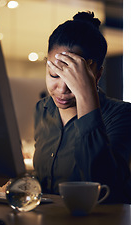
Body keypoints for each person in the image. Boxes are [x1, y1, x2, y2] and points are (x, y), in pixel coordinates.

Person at [33, 11, 131, 203]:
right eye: (54, 75)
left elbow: (101, 186)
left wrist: (86, 94)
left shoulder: (122, 114)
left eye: (73, 79)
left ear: (98, 75)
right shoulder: (42, 109)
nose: (62, 89)